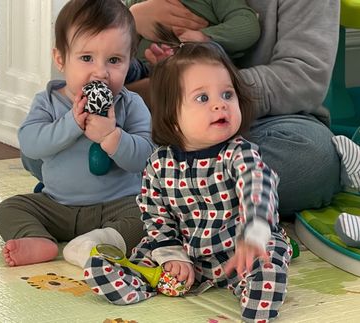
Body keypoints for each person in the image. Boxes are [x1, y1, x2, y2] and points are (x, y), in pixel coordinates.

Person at [84, 41, 292, 323]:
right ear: (172, 117)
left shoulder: (239, 153)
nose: (220, 103)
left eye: (227, 94)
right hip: (186, 251)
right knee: (134, 255)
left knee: (268, 263)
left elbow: (259, 184)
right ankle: (137, 279)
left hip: (239, 250)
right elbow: (156, 215)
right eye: (202, 98)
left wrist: (254, 233)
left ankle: (254, 302)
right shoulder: (159, 163)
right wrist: (172, 255)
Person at [126, 0, 342, 217]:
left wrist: (195, 92)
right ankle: (171, 195)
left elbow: (304, 76)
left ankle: (153, 197)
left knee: (313, 160)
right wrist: (131, 22)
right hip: (157, 119)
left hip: (269, 119)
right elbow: (100, 46)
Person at [0, 0, 154, 267]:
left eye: (114, 60)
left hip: (118, 205)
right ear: (61, 60)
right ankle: (37, 239)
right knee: (9, 209)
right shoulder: (49, 101)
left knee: (151, 217)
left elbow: (146, 159)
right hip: (58, 205)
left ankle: (103, 240)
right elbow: (30, 144)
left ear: (129, 63)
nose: (101, 72)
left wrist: (112, 136)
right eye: (87, 58)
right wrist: (70, 124)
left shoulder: (131, 103)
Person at [123, 0, 260, 84]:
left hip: (194, 71)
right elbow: (110, 27)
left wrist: (205, 37)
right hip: (143, 71)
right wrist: (133, 17)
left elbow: (248, 24)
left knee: (209, 52)